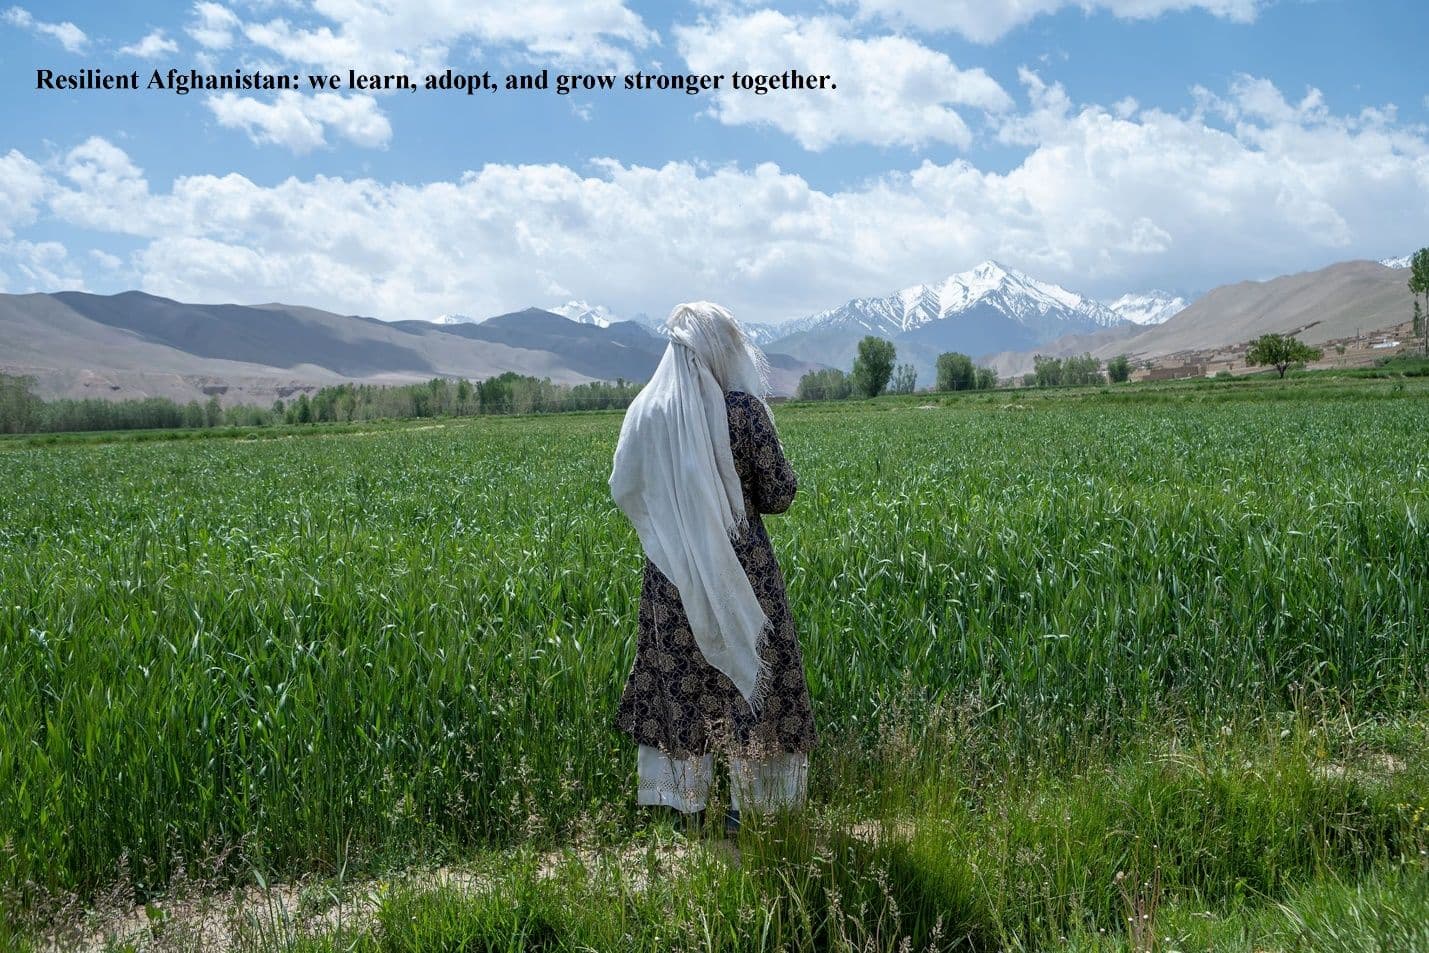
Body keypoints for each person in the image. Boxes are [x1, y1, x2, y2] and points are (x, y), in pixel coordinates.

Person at [610, 301, 817, 836]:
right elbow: (779, 492)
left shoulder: (645, 414)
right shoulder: (742, 412)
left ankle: (684, 807)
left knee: (681, 680)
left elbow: (624, 488)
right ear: (720, 351)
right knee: (758, 673)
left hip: (671, 574)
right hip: (739, 569)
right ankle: (756, 807)